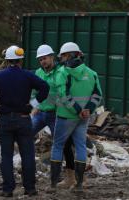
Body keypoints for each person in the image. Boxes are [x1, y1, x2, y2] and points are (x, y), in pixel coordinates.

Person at [0, 45, 49, 197]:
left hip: (5, 119)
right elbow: (45, 87)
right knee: (28, 155)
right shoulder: (27, 75)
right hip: (23, 119)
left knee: (6, 156)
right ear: (20, 60)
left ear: (6, 60)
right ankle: (30, 188)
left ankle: (7, 189)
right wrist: (32, 104)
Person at [49, 42, 102, 192]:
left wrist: (78, 110)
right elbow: (98, 94)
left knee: (58, 145)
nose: (62, 59)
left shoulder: (62, 73)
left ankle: (53, 184)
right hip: (83, 117)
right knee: (80, 146)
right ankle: (78, 185)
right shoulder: (91, 73)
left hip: (66, 116)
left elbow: (63, 95)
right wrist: (87, 110)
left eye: (64, 56)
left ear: (70, 55)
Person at [31, 44, 76, 188]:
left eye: (45, 58)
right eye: (40, 60)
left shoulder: (61, 72)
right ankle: (29, 170)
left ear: (52, 57)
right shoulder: (38, 72)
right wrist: (35, 106)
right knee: (25, 135)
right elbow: (33, 91)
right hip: (40, 113)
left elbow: (63, 92)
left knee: (63, 145)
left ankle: (69, 177)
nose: (43, 62)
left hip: (55, 114)